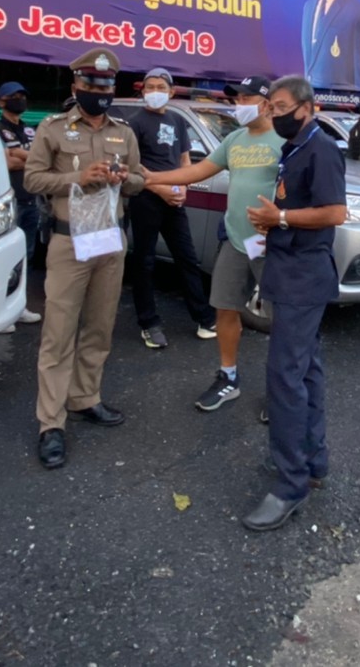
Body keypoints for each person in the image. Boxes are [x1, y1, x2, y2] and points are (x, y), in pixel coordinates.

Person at [23, 49, 145, 470]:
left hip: (109, 243)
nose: (101, 93)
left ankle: (85, 397)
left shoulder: (123, 132)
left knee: (99, 327)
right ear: (77, 87)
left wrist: (121, 178)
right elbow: (33, 178)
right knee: (58, 334)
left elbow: (139, 179)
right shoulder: (54, 128)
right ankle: (50, 423)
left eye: (108, 87)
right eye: (93, 86)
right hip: (68, 242)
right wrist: (79, 176)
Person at [241, 75, 348, 532]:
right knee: (307, 369)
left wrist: (280, 217)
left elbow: (334, 212)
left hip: (304, 277)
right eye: (271, 105)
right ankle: (312, 460)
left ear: (308, 108)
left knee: (284, 376)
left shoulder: (320, 148)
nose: (274, 112)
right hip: (291, 270)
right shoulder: (295, 148)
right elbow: (301, 208)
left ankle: (290, 485)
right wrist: (276, 225)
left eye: (282, 105)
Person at [143, 77, 280, 413]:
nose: (239, 104)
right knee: (225, 307)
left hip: (272, 242)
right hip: (236, 239)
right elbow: (199, 171)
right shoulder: (234, 139)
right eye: (237, 98)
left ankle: (281, 391)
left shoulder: (285, 140)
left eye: (247, 97)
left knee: (284, 318)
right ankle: (228, 377)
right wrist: (152, 177)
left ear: (266, 103)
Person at [127, 68, 217, 348]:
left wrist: (183, 189)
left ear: (171, 91)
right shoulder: (135, 123)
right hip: (146, 198)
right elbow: (134, 167)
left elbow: (184, 159)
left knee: (187, 258)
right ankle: (149, 323)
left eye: (160, 86)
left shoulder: (177, 121)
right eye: (150, 86)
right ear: (143, 91)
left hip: (175, 199)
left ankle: (203, 318)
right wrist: (162, 189)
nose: (154, 91)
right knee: (144, 262)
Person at [0, 82, 47, 281]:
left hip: (32, 198)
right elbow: (8, 162)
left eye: (22, 96)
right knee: (7, 257)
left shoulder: (29, 129)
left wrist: (21, 155)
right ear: (1, 101)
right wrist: (34, 159)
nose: (20, 100)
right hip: (11, 200)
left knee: (28, 253)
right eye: (14, 96)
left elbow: (41, 156)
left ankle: (22, 302)